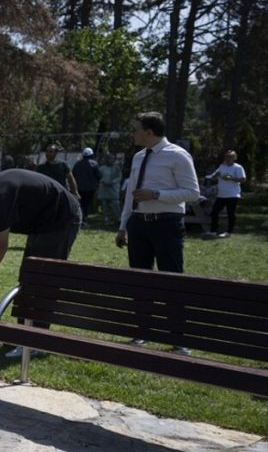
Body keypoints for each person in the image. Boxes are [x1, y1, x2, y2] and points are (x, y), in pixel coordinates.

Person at [0, 169, 82, 357]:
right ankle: (23, 336)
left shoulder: (0, 197)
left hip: (62, 217)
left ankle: (36, 342)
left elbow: (1, 246)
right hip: (42, 223)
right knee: (28, 278)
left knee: (43, 280)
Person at [115, 111, 199, 353]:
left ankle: (178, 338)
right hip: (139, 224)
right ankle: (142, 332)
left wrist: (157, 195)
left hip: (166, 224)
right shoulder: (139, 157)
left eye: (136, 129)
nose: (133, 133)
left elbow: (192, 193)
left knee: (170, 280)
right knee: (140, 280)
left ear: (149, 132)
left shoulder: (178, 155)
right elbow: (131, 192)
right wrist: (123, 226)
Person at [206, 150, 245, 238]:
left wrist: (230, 178)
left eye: (230, 157)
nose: (227, 158)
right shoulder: (221, 166)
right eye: (226, 156)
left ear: (234, 158)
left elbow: (243, 179)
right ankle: (213, 231)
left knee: (230, 213)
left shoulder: (238, 167)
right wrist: (214, 176)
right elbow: (214, 177)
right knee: (214, 212)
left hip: (233, 194)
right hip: (221, 194)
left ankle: (229, 232)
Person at [72, 147, 101, 226]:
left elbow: (73, 175)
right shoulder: (94, 164)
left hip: (79, 188)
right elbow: (99, 175)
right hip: (90, 189)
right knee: (86, 204)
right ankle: (83, 219)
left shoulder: (77, 164)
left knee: (80, 204)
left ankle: (80, 218)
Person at [97, 153, 122, 226]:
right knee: (105, 206)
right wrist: (103, 181)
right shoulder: (102, 168)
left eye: (112, 159)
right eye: (109, 159)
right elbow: (98, 176)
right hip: (104, 189)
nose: (111, 160)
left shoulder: (116, 168)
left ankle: (118, 219)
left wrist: (113, 182)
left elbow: (119, 177)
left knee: (116, 205)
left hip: (113, 189)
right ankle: (106, 219)